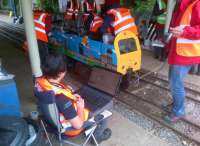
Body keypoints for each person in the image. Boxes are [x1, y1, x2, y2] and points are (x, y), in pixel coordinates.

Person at [35, 53, 111, 142]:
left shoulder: (40, 84)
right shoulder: (61, 99)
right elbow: (78, 125)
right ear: (61, 73)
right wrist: (80, 107)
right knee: (108, 105)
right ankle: (97, 137)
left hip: (50, 121)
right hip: (68, 129)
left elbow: (57, 91)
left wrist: (70, 94)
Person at [164, 0, 200, 123]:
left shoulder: (196, 4)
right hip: (178, 51)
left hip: (186, 53)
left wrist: (185, 32)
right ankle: (177, 103)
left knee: (175, 83)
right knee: (173, 81)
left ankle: (179, 111)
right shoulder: (181, 4)